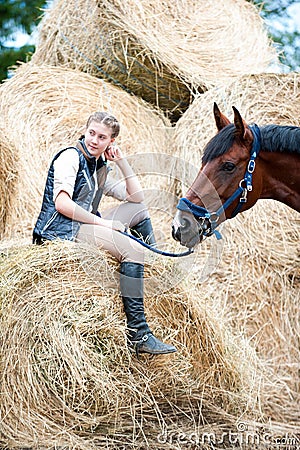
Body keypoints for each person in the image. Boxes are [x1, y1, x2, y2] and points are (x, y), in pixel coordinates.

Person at [33, 111, 177, 356]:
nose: (94, 141)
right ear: (85, 131)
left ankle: (150, 266)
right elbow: (62, 205)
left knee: (138, 210)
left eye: (102, 137)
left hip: (83, 225)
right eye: (91, 133)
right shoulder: (71, 157)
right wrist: (105, 226)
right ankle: (139, 334)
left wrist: (121, 161)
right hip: (60, 230)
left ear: (111, 142)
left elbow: (136, 198)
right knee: (132, 250)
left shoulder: (99, 166)